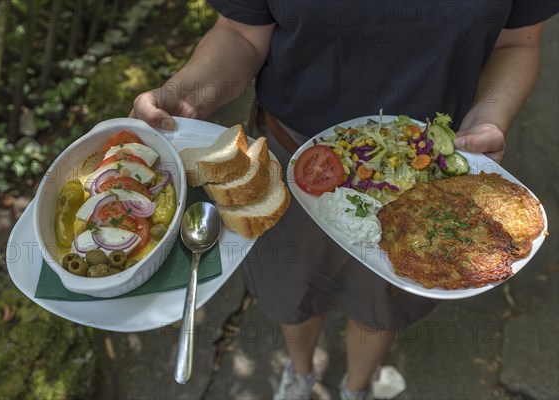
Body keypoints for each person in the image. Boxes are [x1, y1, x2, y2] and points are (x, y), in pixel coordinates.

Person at [130, 2, 559, 399]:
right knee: (290, 294)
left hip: (429, 178)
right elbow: (242, 33)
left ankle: (356, 388)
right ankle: (299, 373)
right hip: (295, 163)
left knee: (381, 306)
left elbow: (517, 41)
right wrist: (185, 93)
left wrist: (487, 118)